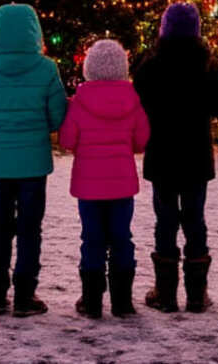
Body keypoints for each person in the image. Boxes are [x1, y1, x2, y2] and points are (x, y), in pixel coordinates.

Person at [0, 3, 67, 318]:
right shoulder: (47, 68)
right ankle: (25, 293)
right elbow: (58, 116)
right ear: (35, 31)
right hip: (34, 162)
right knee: (30, 227)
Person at [133, 3, 218, 314]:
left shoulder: (150, 64)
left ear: (164, 29)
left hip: (162, 153)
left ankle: (165, 292)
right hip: (195, 155)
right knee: (195, 220)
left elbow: (138, 101)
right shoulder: (207, 66)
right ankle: (197, 293)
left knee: (165, 221)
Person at [58, 39, 150, 319]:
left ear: (89, 68)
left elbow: (67, 140)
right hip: (122, 185)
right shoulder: (133, 100)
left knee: (92, 239)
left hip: (88, 186)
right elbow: (142, 140)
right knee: (122, 238)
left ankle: (92, 300)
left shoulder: (79, 102)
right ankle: (122, 301)